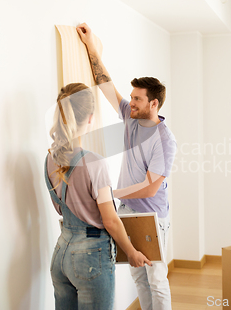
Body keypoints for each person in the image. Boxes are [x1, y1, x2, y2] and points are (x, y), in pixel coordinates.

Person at [77, 23, 177, 310]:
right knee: (138, 275)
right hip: (128, 212)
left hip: (152, 216)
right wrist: (91, 48)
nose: (129, 102)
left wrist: (112, 194)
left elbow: (151, 186)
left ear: (153, 103)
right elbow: (106, 85)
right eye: (131, 97)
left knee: (156, 278)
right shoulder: (131, 118)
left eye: (136, 98)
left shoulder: (164, 139)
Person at [44, 83, 152, 310]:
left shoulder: (50, 159)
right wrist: (131, 252)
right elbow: (110, 220)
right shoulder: (93, 162)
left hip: (61, 252)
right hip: (90, 259)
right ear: (90, 118)